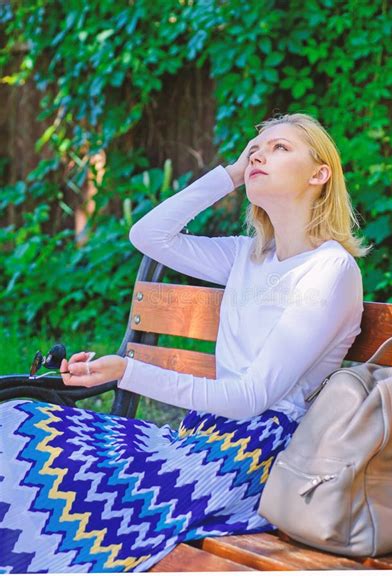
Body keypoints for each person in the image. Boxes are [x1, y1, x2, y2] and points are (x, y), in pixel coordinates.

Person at [0, 113, 371, 573]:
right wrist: (234, 174)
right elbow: (148, 235)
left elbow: (251, 398)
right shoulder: (246, 256)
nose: (259, 154)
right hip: (202, 436)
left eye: (280, 148)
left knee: (65, 492)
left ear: (320, 174)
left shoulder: (330, 271)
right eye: (255, 148)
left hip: (254, 453)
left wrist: (127, 371)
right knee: (14, 421)